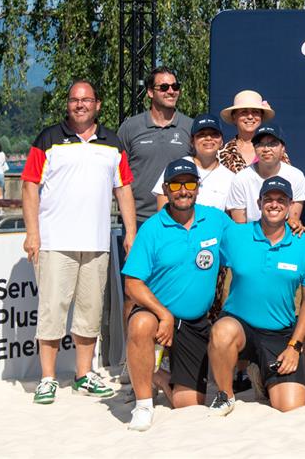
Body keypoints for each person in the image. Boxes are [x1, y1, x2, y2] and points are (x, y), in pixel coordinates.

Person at [21, 80, 137, 404]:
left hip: (97, 243)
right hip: (54, 242)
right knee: (51, 312)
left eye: (86, 100)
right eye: (74, 99)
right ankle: (47, 378)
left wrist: (131, 232)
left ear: (98, 104)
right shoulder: (48, 139)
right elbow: (29, 186)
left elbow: (124, 188)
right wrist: (32, 233)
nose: (80, 104)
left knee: (90, 313)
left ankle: (83, 375)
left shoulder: (113, 143)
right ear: (68, 104)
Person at [121, 159, 231, 431]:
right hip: (157, 315)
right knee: (140, 323)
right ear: (166, 190)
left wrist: (291, 223)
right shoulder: (152, 228)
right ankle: (143, 405)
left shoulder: (215, 220)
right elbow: (132, 284)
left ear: (198, 188)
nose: (183, 191)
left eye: (190, 184)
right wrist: (164, 314)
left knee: (188, 404)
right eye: (176, 185)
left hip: (194, 322)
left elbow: (247, 242)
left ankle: (158, 376)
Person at [208, 176, 305, 415]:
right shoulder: (235, 234)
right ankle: (225, 395)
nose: (274, 204)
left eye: (281, 200)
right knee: (222, 331)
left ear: (290, 206)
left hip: (278, 333)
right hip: (240, 325)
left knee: (290, 405)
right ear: (259, 203)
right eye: (268, 199)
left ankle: (260, 375)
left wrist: (295, 346)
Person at [117, 66, 192, 225]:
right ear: (150, 92)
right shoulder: (130, 127)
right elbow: (118, 174)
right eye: (164, 87)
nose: (171, 91)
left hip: (180, 218)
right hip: (138, 219)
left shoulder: (190, 127)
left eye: (175, 86)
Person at [225, 125, 305, 228]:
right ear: (254, 148)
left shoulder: (296, 176)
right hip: (251, 235)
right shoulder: (241, 179)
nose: (266, 149)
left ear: (282, 148)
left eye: (272, 144)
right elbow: (240, 226)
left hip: (284, 234)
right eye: (260, 144)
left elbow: (293, 221)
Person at [152, 113, 235, 212]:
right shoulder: (175, 167)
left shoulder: (230, 178)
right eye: (202, 134)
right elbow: (163, 210)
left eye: (214, 134)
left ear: (221, 141)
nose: (208, 138)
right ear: (192, 141)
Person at [216, 90, 287, 173]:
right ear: (234, 117)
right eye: (244, 112)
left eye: (255, 112)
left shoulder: (276, 150)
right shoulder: (222, 153)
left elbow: (287, 175)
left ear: (261, 117)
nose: (250, 116)